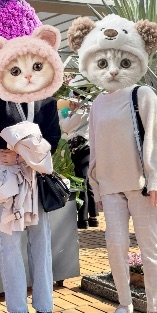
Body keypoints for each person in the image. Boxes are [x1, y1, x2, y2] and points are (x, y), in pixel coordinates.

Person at [68, 14, 157, 313]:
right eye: (103, 63)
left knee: (150, 248)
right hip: (110, 186)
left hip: (142, 186)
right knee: (114, 246)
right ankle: (124, 303)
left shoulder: (143, 94)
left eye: (123, 62)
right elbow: (95, 147)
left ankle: (156, 309)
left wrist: (155, 178)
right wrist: (96, 188)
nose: (112, 70)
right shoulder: (98, 102)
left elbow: (156, 138)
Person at [0, 25, 63, 313]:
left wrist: (22, 155)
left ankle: (44, 304)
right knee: (8, 242)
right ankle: (17, 306)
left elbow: (53, 138)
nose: (25, 75)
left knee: (40, 241)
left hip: (35, 178)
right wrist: (7, 146)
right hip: (6, 181)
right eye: (16, 68)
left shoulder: (48, 102)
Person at [60, 89, 99, 229]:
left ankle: (83, 219)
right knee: (87, 182)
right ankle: (93, 216)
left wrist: (68, 114)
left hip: (81, 150)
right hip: (87, 148)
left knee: (81, 182)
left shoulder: (81, 112)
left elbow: (66, 127)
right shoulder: (90, 110)